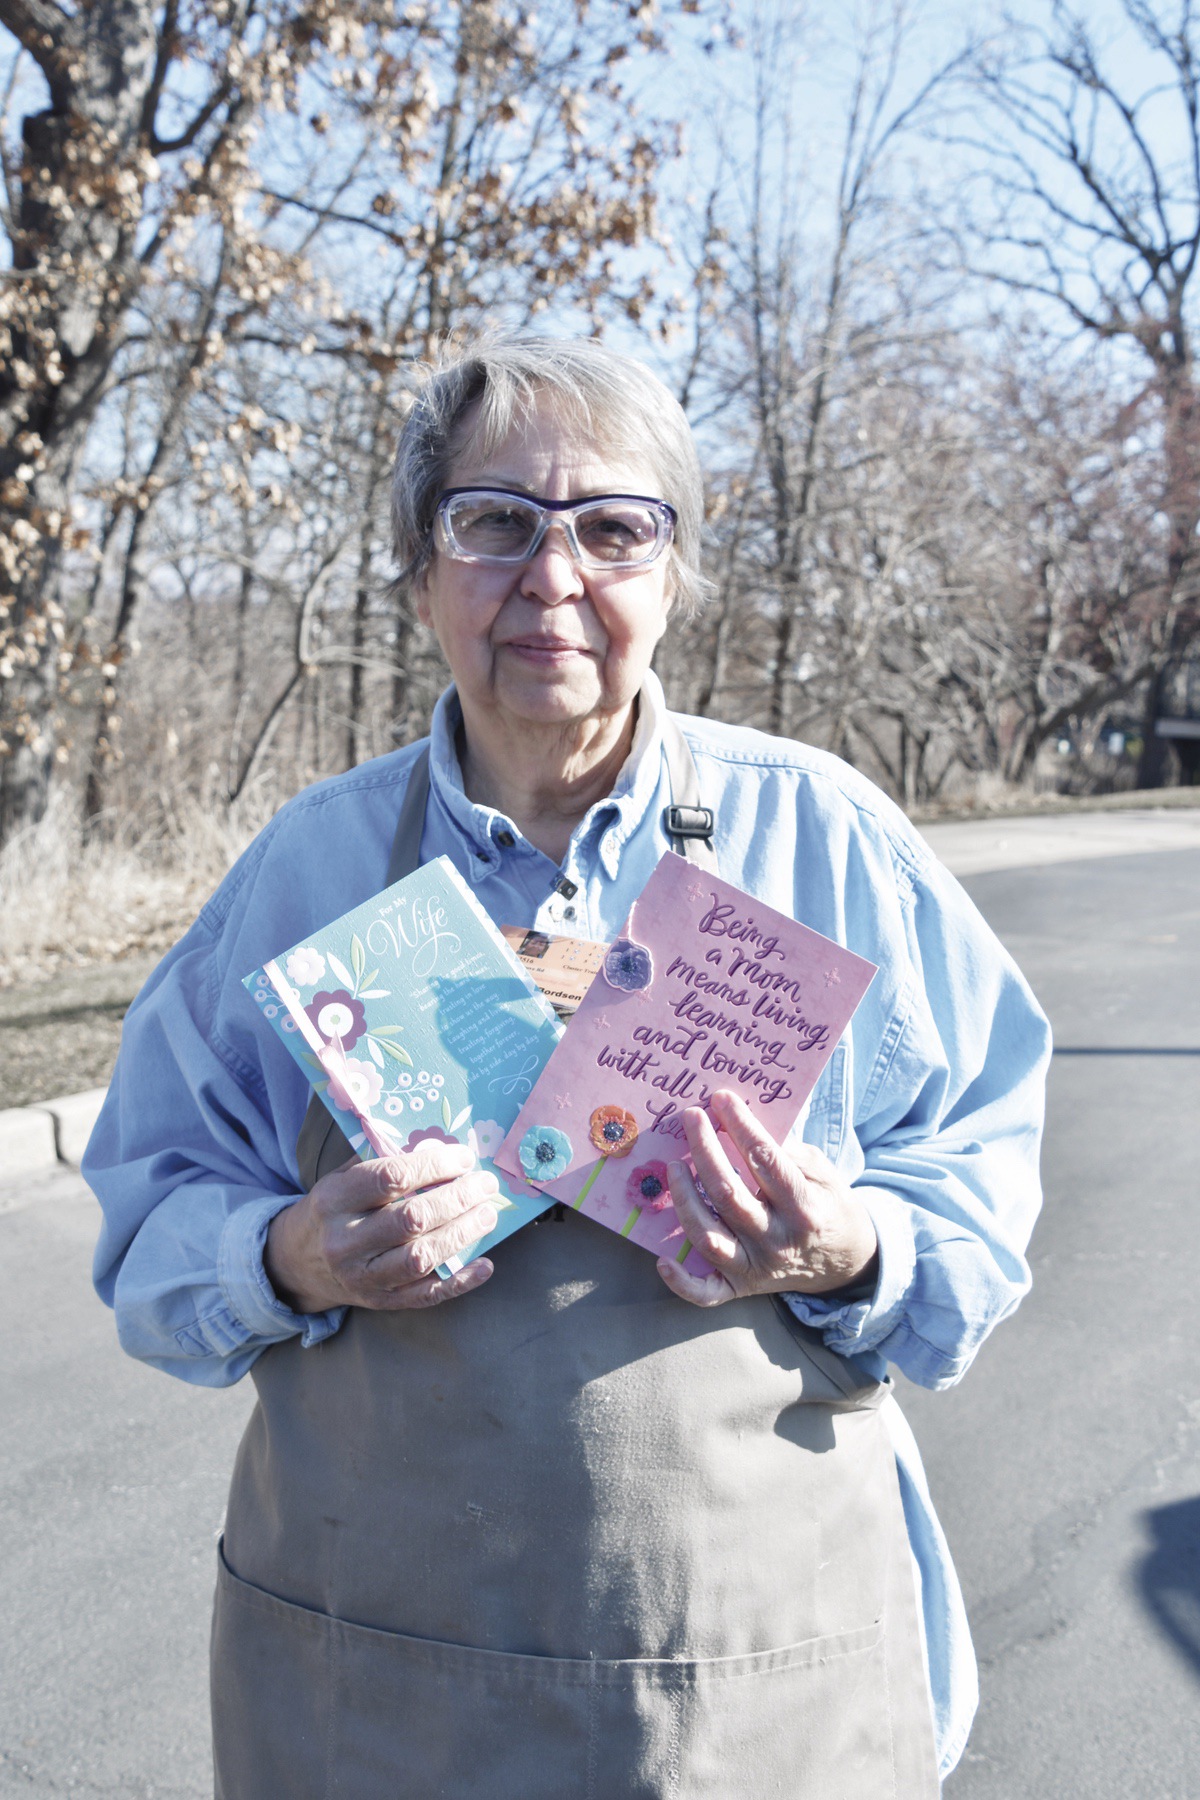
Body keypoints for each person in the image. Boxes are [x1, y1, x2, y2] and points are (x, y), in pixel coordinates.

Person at [86, 335, 1050, 1798]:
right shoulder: (310, 873)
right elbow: (151, 1226)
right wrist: (289, 1257)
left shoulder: (827, 843)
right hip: (381, 1681)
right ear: (420, 576)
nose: (551, 579)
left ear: (674, 576)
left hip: (750, 1685)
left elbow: (977, 1182)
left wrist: (850, 1243)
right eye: (493, 524)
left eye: (613, 527)